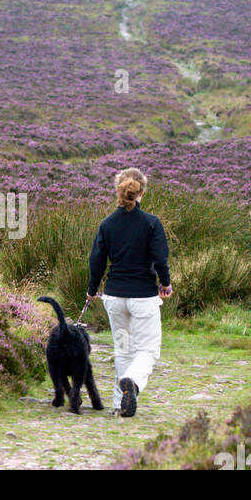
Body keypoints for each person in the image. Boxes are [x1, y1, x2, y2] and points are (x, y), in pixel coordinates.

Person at [86, 168, 172, 417]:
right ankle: (132, 383)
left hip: (114, 298)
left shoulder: (107, 224)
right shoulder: (151, 223)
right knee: (148, 350)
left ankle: (118, 403)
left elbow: (96, 261)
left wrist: (92, 290)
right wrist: (165, 284)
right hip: (143, 299)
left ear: (118, 190)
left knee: (123, 349)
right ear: (141, 192)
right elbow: (160, 259)